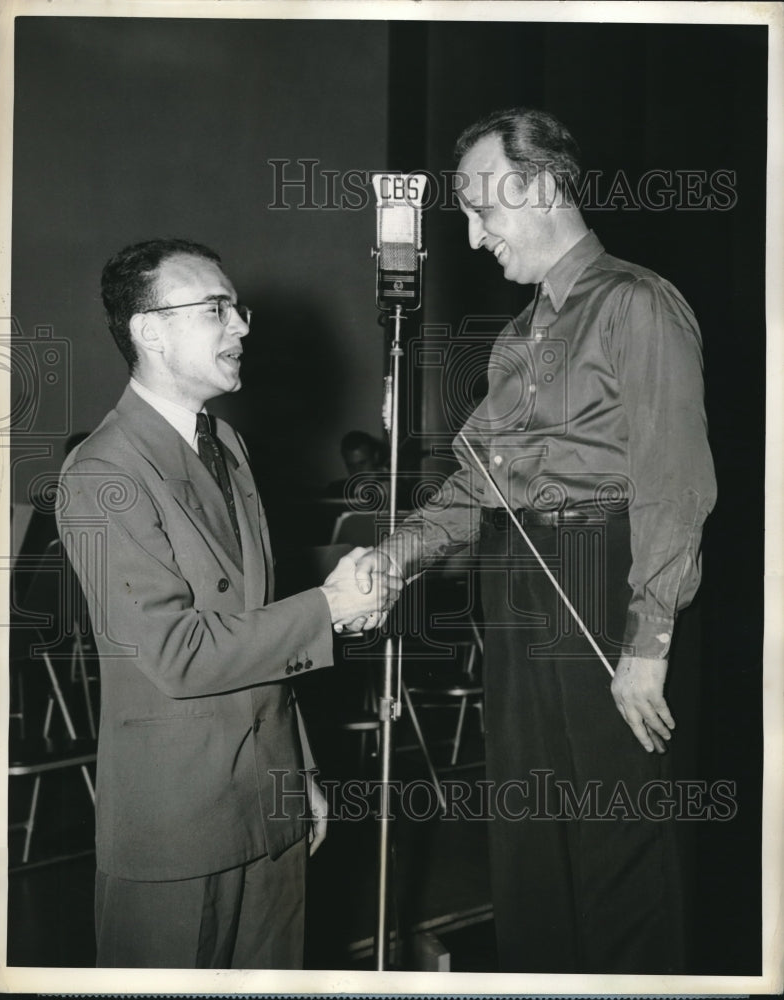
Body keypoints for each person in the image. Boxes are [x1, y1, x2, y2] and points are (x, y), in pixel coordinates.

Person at [354, 108, 716, 973]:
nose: (474, 240)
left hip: (600, 570)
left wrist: (649, 641)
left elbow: (674, 482)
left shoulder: (636, 303)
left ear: (546, 187)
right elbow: (478, 485)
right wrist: (396, 554)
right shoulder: (519, 339)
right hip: (518, 581)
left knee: (615, 843)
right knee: (528, 836)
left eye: (483, 210)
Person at [56, 238, 395, 969]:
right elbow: (178, 655)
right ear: (149, 331)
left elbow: (254, 613)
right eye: (216, 309)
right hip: (177, 827)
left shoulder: (228, 446)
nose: (241, 326)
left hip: (266, 802)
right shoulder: (102, 473)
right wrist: (328, 609)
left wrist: (300, 770)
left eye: (236, 309)